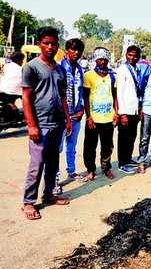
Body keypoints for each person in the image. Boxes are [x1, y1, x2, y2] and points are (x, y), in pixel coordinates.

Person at [21, 27, 72, 220]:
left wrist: (67, 119)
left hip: (57, 124)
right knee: (37, 164)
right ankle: (28, 202)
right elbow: (26, 97)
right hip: (39, 124)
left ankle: (49, 194)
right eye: (46, 43)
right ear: (39, 44)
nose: (50, 47)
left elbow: (62, 96)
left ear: (58, 45)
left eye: (53, 43)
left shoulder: (60, 69)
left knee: (52, 162)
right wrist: (31, 125)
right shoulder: (31, 67)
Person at [53, 38, 86, 195]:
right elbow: (57, 95)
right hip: (61, 115)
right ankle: (54, 181)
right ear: (67, 50)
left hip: (77, 114)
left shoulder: (80, 69)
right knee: (57, 148)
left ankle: (71, 172)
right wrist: (64, 116)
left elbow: (81, 93)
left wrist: (82, 110)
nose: (76, 53)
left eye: (79, 50)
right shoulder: (59, 68)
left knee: (71, 146)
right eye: (73, 49)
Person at [82, 47, 118, 181]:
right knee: (90, 146)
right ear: (95, 60)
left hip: (108, 117)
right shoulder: (89, 75)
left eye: (105, 59)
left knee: (107, 146)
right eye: (100, 59)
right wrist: (89, 116)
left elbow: (114, 96)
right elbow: (85, 97)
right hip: (94, 118)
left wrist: (116, 113)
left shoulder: (112, 76)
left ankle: (106, 168)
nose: (102, 62)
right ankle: (90, 169)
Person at [115, 45, 144, 174]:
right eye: (130, 55)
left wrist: (139, 109)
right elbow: (119, 93)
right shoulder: (122, 69)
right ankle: (122, 163)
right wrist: (122, 113)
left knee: (132, 136)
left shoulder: (137, 68)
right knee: (124, 138)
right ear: (126, 55)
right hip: (125, 110)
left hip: (134, 110)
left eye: (135, 56)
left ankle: (128, 158)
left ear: (138, 57)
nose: (132, 58)